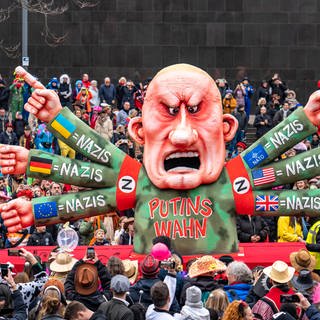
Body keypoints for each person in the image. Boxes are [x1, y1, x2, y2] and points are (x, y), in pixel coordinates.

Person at [6, 65, 320, 257]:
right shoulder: (133, 180)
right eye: (168, 113)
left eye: (197, 112)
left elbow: (285, 173)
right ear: (138, 132)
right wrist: (36, 159)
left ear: (226, 129)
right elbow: (87, 162)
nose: (182, 136)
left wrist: (307, 119)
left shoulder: (234, 183)